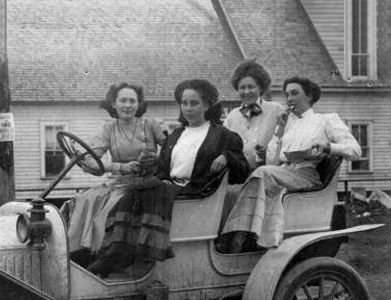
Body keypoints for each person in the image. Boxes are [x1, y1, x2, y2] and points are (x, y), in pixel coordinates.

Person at [87, 79, 249, 278]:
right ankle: (116, 253)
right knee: (133, 192)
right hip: (171, 186)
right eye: (184, 103)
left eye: (194, 103)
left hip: (197, 190)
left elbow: (242, 168)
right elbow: (163, 168)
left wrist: (227, 157)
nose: (188, 108)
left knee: (152, 191)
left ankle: (134, 256)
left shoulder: (222, 135)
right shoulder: (176, 136)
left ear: (207, 105)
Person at [220, 76, 362, 253]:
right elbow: (273, 161)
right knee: (253, 178)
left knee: (262, 173)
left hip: (307, 174)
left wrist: (328, 148)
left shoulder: (326, 119)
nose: (289, 99)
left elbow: (356, 150)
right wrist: (279, 131)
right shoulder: (288, 124)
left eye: (294, 93)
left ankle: (237, 234)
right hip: (284, 173)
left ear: (309, 96)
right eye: (286, 95)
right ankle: (248, 235)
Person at [67, 83, 168, 264]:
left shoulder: (152, 125)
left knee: (109, 208)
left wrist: (157, 158)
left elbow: (174, 149)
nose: (127, 105)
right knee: (85, 199)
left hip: (148, 183)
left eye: (132, 101)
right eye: (123, 100)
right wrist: (118, 167)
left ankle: (106, 255)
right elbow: (89, 160)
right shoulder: (109, 129)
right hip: (120, 181)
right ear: (113, 104)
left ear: (139, 104)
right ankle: (79, 253)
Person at [224, 60, 286, 171]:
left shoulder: (276, 111)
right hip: (237, 174)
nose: (247, 92)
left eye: (251, 87)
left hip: (267, 171)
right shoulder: (232, 117)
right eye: (242, 88)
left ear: (261, 88)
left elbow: (285, 141)